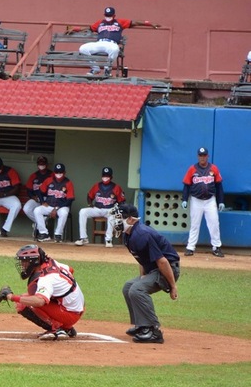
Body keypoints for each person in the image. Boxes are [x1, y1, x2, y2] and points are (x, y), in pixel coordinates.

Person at [116, 204, 180, 344]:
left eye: (120, 218)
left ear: (131, 219)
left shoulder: (142, 234)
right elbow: (142, 259)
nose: (117, 221)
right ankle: (141, 325)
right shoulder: (129, 235)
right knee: (128, 287)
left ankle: (153, 331)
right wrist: (143, 276)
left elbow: (162, 261)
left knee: (137, 289)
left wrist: (173, 286)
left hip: (168, 270)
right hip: (154, 269)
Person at [0, 244, 85, 341]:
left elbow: (39, 301)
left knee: (23, 303)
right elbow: (70, 269)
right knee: (30, 296)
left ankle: (57, 329)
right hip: (76, 308)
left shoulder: (46, 278)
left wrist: (11, 297)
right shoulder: (52, 263)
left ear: (34, 261)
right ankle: (66, 328)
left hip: (70, 314)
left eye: (24, 261)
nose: (22, 265)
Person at [67, 6, 160, 76]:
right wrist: (75, 29)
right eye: (107, 15)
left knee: (115, 49)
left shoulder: (119, 22)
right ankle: (95, 69)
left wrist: (150, 23)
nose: (108, 17)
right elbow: (89, 28)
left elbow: (134, 22)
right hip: (100, 43)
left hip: (111, 44)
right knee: (83, 48)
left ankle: (107, 69)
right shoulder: (100, 22)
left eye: (110, 15)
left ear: (114, 15)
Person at [182, 147, 225, 257]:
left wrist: (220, 201)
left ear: (208, 156)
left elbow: (219, 186)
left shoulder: (214, 168)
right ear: (198, 156)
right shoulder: (192, 169)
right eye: (200, 155)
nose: (202, 157)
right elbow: (186, 185)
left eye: (204, 155)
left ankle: (216, 247)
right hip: (196, 200)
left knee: (214, 224)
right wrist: (184, 199)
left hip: (210, 200)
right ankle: (190, 247)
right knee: (194, 224)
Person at [75, 167, 126, 248]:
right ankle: (83, 238)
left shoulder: (116, 187)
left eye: (107, 176)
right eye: (104, 175)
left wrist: (117, 209)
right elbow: (89, 196)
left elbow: (122, 201)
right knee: (83, 211)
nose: (105, 177)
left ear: (111, 177)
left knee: (112, 216)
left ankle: (108, 240)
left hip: (109, 210)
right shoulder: (96, 186)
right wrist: (90, 203)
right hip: (97, 209)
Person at [34, 163, 75, 243]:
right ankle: (44, 233)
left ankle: (58, 235)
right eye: (57, 172)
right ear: (54, 172)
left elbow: (69, 200)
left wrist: (56, 208)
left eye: (60, 172)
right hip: (49, 205)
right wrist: (42, 201)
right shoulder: (49, 180)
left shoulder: (68, 183)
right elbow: (39, 191)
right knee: (37, 210)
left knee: (64, 213)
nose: (58, 174)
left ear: (64, 172)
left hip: (62, 206)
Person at [22, 156, 53, 238]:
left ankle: (39, 225)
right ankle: (41, 222)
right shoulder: (34, 176)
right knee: (26, 208)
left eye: (43, 163)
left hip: (49, 200)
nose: (41, 165)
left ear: (47, 164)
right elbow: (29, 190)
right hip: (37, 199)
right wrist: (32, 197)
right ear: (37, 164)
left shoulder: (52, 175)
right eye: (40, 163)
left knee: (38, 211)